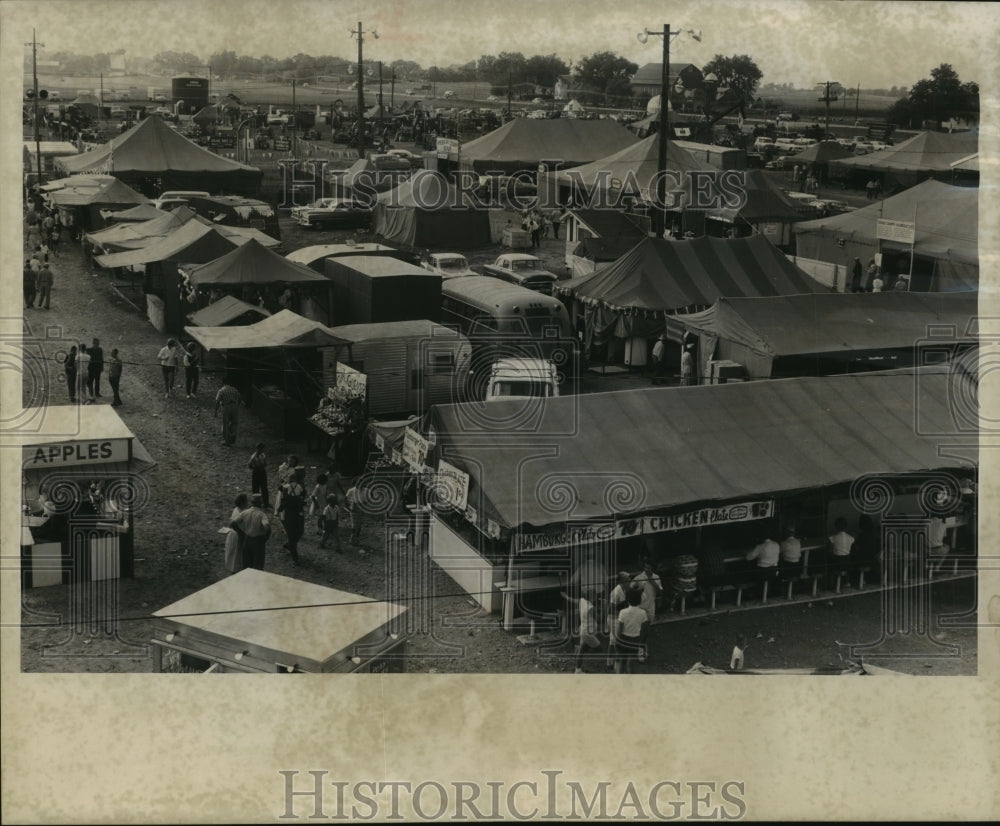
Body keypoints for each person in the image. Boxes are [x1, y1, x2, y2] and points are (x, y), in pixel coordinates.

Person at [230, 493, 271, 570]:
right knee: (258, 566)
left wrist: (241, 532)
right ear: (260, 503)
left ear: (252, 503)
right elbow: (267, 528)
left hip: (247, 540)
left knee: (246, 567)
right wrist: (265, 539)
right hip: (258, 542)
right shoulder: (262, 515)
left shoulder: (245, 512)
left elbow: (233, 523)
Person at [615, 586, 648, 674]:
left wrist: (617, 640)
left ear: (628, 600)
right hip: (635, 640)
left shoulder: (623, 612)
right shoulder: (643, 613)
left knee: (622, 662)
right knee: (630, 664)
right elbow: (644, 629)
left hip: (623, 639)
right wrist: (639, 639)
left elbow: (619, 629)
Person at [278, 467, 307, 565]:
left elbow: (282, 500)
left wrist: (279, 510)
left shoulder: (285, 487)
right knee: (299, 531)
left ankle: (291, 547)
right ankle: (294, 555)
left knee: (291, 534)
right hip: (298, 511)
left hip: (288, 512)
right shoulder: (300, 486)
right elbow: (303, 496)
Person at [572, 588, 602, 674]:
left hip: (583, 630)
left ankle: (578, 670)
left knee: (582, 650)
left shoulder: (582, 601)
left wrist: (566, 597)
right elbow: (599, 619)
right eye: (595, 595)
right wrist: (604, 608)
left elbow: (574, 600)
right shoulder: (590, 607)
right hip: (588, 633)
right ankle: (579, 649)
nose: (596, 596)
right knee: (599, 649)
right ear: (591, 597)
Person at [631, 558, 663, 627]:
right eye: (645, 567)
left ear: (653, 569)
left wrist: (653, 582)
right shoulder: (639, 577)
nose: (646, 569)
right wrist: (638, 590)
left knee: (649, 623)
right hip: (640, 606)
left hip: (651, 606)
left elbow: (660, 592)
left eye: (648, 568)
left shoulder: (656, 577)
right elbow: (630, 589)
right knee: (638, 624)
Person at [224, 493, 250, 574]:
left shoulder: (237, 509)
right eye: (246, 502)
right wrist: (242, 534)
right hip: (237, 536)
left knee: (235, 557)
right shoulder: (240, 513)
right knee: (237, 557)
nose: (247, 503)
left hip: (235, 535)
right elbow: (233, 524)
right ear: (242, 503)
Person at [214, 377, 242, 446]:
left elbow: (217, 401)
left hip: (226, 407)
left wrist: (215, 410)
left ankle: (226, 441)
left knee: (225, 424)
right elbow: (240, 398)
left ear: (223, 383)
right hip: (235, 406)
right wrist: (237, 405)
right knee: (234, 423)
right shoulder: (235, 389)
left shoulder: (221, 390)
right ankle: (232, 438)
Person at [247, 443, 269, 508]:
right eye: (261, 449)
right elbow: (249, 465)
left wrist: (263, 465)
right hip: (256, 473)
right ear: (258, 449)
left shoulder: (263, 455)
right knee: (255, 489)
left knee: (264, 488)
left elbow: (265, 463)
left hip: (262, 472)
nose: (263, 450)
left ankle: (266, 503)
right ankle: (256, 504)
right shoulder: (253, 457)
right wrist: (256, 467)